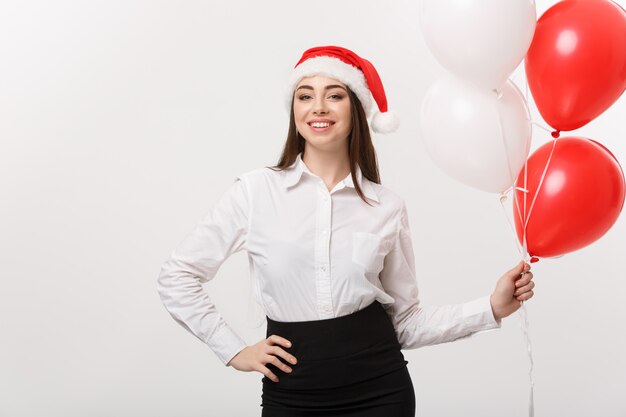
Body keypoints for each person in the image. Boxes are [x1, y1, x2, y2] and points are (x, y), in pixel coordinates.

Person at [156, 45, 535, 417]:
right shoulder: (254, 193)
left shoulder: (387, 207)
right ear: (294, 110)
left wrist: (491, 307)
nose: (318, 107)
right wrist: (234, 351)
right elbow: (177, 276)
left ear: (356, 108)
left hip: (380, 392)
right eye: (305, 96)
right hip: (291, 395)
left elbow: (405, 323)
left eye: (333, 95)